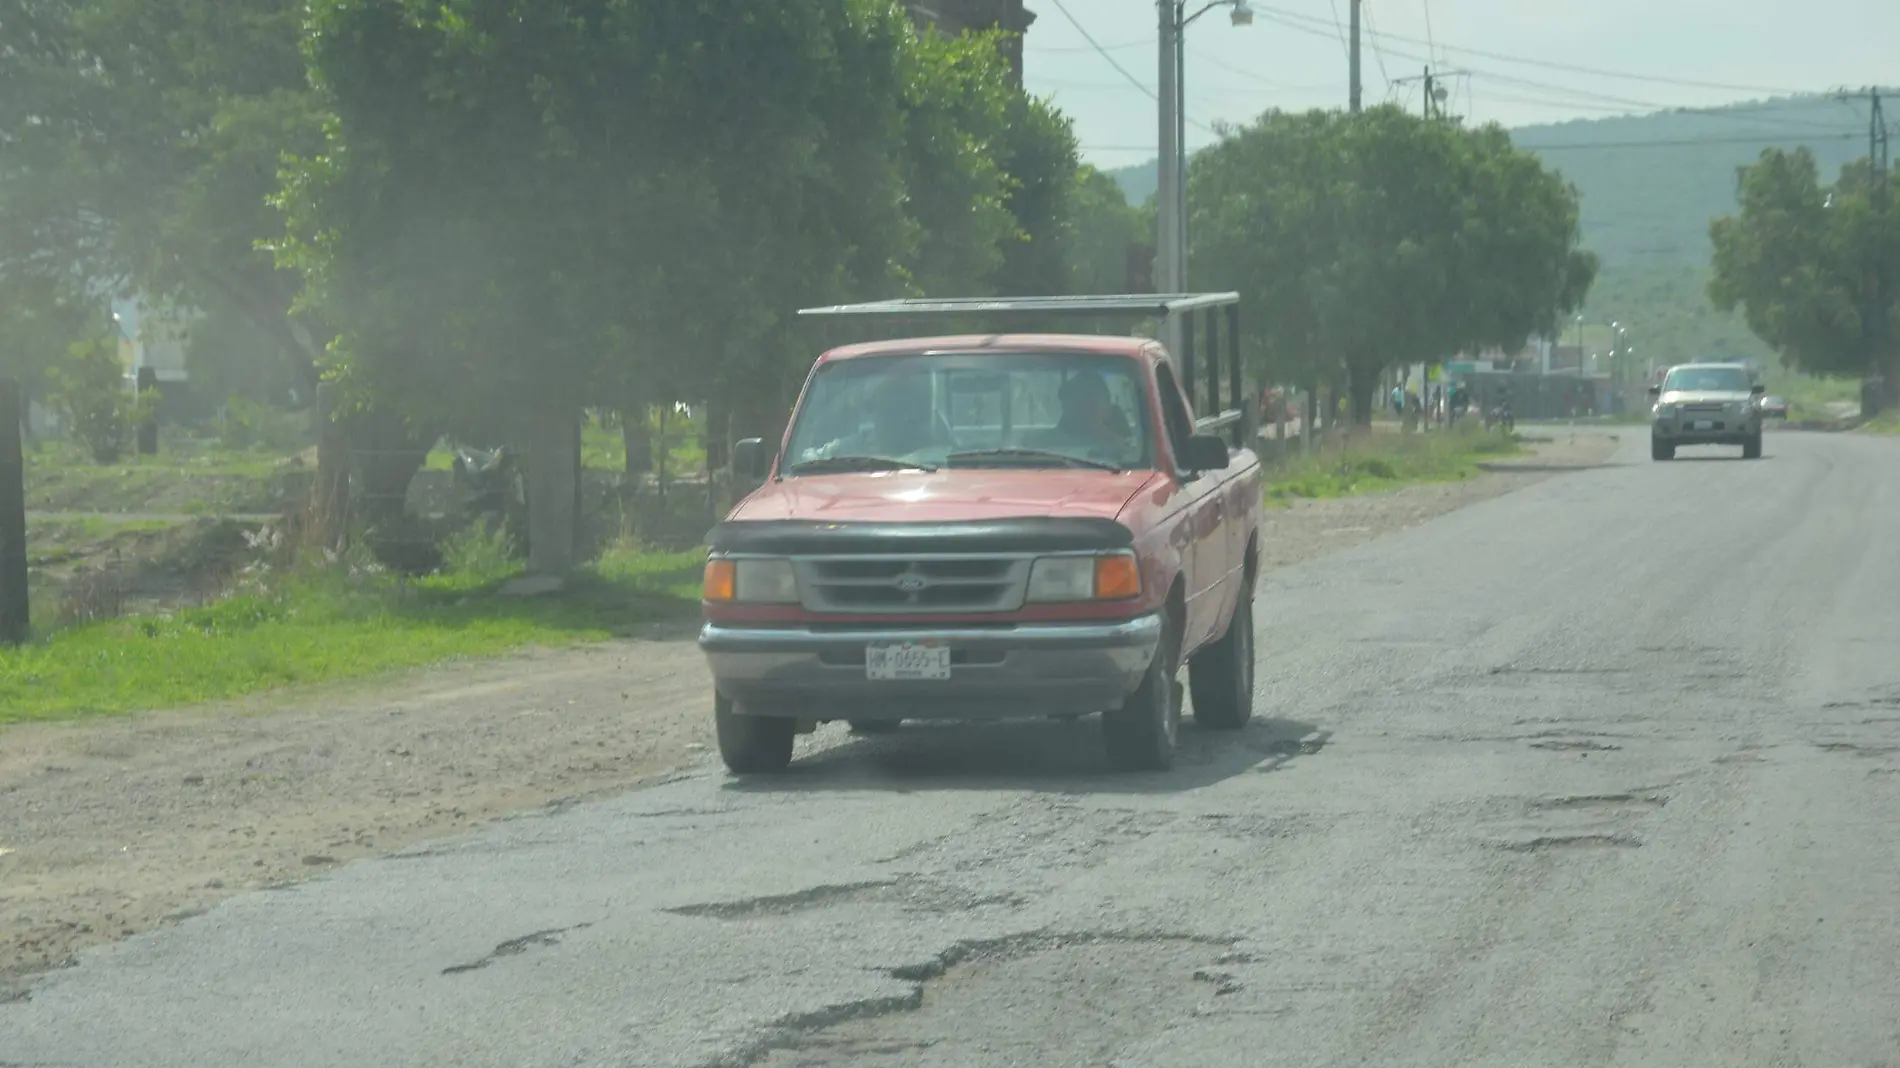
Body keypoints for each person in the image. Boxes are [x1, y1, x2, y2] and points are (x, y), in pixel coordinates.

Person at [1055, 371, 1132, 451]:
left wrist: (1102, 432)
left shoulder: (1117, 421)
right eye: (1076, 404)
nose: (1084, 409)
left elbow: (1129, 450)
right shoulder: (1057, 440)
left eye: (1092, 403)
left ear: (1107, 402)